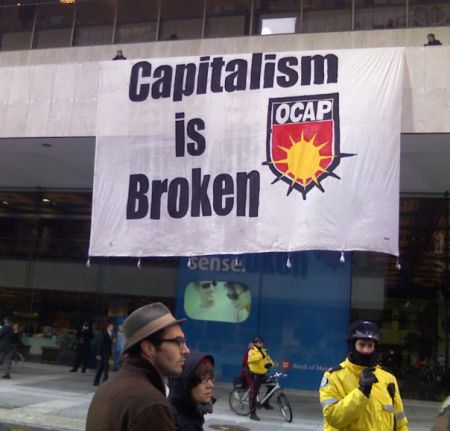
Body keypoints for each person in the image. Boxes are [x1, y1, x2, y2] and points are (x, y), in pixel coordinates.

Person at [86, 302, 189, 431]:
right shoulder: (151, 404)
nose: (186, 350)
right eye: (178, 342)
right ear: (149, 348)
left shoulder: (109, 386)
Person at [319, 320, 408, 431]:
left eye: (370, 345)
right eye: (361, 345)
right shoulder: (334, 376)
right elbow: (333, 417)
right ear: (353, 346)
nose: (366, 350)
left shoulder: (388, 378)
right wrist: (361, 392)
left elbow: (400, 423)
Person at [169, 351, 215, 430]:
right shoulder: (173, 420)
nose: (210, 385)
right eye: (204, 379)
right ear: (186, 383)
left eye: (210, 379)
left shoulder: (193, 411)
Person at [247, 336, 275, 421]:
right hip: (255, 375)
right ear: (255, 343)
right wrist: (260, 355)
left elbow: (269, 360)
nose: (261, 344)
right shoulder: (252, 351)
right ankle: (252, 413)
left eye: (262, 342)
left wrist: (270, 364)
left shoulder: (264, 351)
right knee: (253, 394)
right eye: (259, 342)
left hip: (263, 374)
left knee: (272, 386)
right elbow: (251, 360)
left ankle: (265, 402)